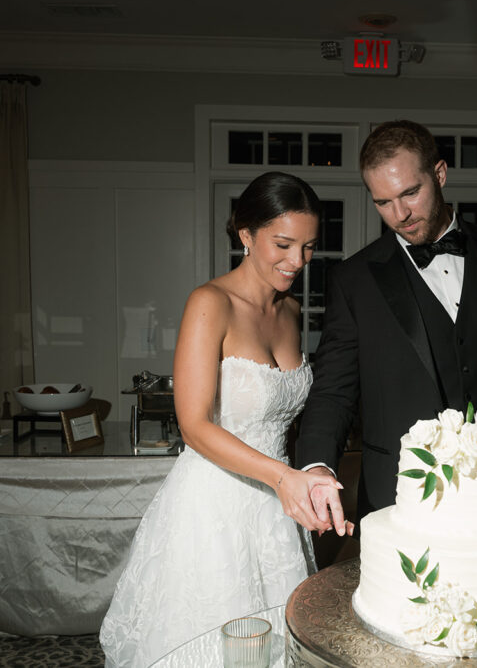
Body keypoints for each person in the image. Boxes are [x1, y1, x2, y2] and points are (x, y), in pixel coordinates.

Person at [100, 172, 347, 667]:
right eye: (283, 244)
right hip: (213, 506)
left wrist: (306, 480)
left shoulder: (292, 310)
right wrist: (283, 479)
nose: (297, 262)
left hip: (279, 510)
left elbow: (288, 417)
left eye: (309, 247)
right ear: (245, 235)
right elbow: (193, 426)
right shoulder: (209, 303)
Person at [295, 119, 477, 535]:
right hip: (398, 495)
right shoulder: (355, 279)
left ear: (439, 174)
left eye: (410, 193)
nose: (400, 215)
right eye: (382, 202)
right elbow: (333, 388)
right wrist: (317, 464)